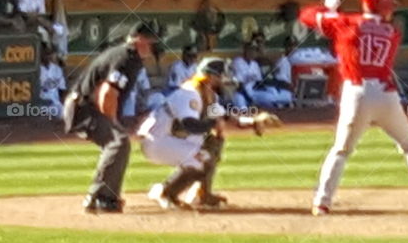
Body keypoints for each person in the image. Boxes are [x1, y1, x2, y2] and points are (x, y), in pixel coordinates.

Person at [298, 0, 408, 215]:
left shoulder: (345, 24)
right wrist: (333, 15)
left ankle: (322, 201)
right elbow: (364, 27)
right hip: (386, 94)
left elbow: (306, 16)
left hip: (356, 93)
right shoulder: (393, 31)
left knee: (341, 150)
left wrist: (327, 8)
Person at [141, 57, 281, 209]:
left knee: (213, 143)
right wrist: (213, 123)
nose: (223, 80)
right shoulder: (190, 93)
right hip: (157, 141)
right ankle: (166, 193)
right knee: (202, 159)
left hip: (171, 137)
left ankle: (202, 193)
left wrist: (253, 121)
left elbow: (225, 116)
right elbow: (189, 125)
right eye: (220, 76)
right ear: (211, 76)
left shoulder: (208, 94)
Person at [62, 23, 157, 213]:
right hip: (84, 108)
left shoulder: (129, 56)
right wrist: (113, 121)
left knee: (119, 143)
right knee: (118, 141)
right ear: (139, 40)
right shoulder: (126, 58)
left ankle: (108, 198)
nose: (153, 46)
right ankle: (98, 196)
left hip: (87, 106)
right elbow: (107, 92)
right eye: (150, 41)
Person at [38, 46, 66, 118]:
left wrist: (61, 100)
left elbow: (62, 87)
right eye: (44, 55)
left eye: (48, 55)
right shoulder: (37, 69)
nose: (47, 57)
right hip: (41, 99)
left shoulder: (56, 68)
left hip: (54, 99)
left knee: (64, 114)